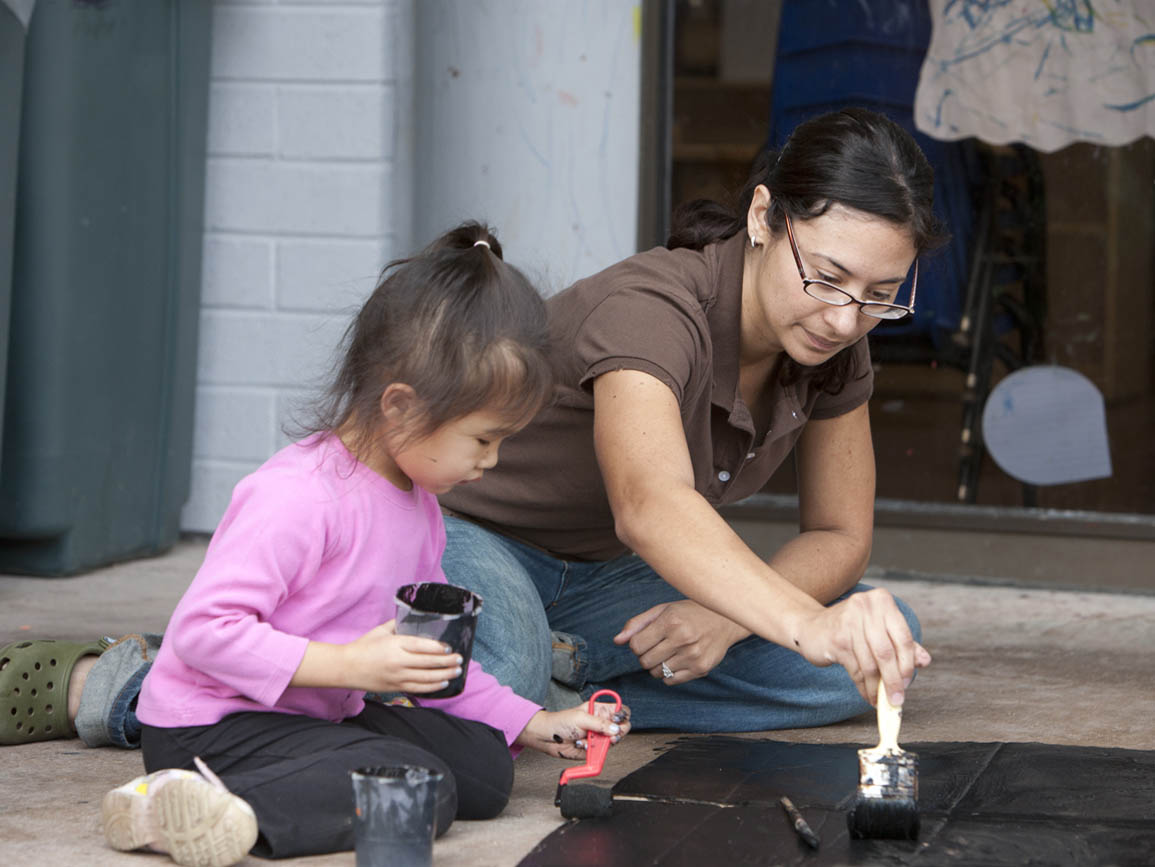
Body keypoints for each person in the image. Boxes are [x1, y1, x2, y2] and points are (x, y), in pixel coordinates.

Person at [84, 223, 629, 865]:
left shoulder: (420, 508)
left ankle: (249, 792)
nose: (493, 462)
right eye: (483, 439)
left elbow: (431, 661)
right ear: (400, 408)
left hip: (311, 716)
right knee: (417, 791)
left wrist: (535, 722)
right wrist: (350, 668)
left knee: (483, 768)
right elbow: (203, 632)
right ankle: (173, 807)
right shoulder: (299, 497)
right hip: (209, 727)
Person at [438, 107, 942, 731]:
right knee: (503, 672)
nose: (845, 320)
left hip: (603, 577)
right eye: (827, 277)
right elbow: (650, 504)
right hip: (470, 537)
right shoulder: (653, 308)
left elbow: (840, 535)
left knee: (874, 649)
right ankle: (538, 676)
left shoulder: (834, 339)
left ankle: (562, 681)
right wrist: (799, 622)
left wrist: (726, 621)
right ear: (764, 217)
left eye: (880, 295)